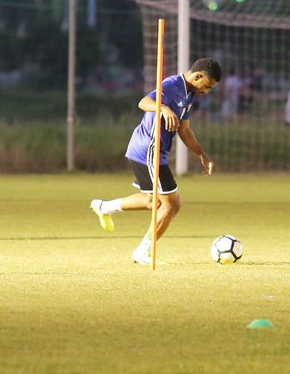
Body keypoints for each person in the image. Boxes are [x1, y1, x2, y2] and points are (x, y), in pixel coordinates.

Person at [89, 58, 221, 264]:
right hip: (148, 150)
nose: (207, 91)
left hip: (150, 151)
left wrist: (201, 154)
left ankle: (104, 207)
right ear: (198, 76)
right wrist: (164, 108)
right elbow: (143, 102)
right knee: (172, 205)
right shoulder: (171, 85)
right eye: (207, 86)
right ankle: (143, 252)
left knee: (154, 202)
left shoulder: (190, 95)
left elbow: (184, 130)